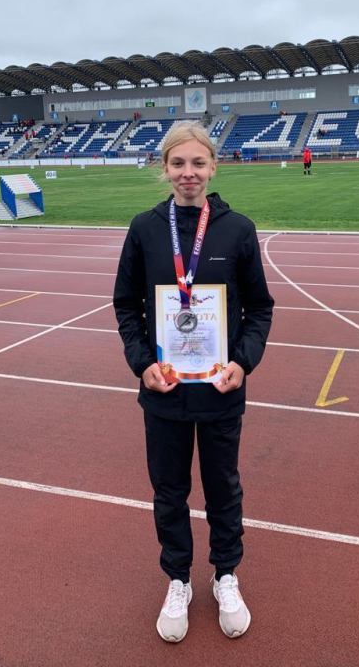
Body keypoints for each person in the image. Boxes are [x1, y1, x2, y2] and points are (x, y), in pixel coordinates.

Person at [114, 121, 274, 644]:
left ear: (213, 167)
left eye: (198, 163)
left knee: (223, 487)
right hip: (164, 390)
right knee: (170, 491)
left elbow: (259, 309)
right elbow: (126, 306)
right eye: (178, 164)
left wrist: (243, 363)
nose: (188, 173)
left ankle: (225, 573)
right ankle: (178, 579)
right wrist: (142, 364)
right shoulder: (144, 228)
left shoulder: (238, 229)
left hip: (221, 388)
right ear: (164, 169)